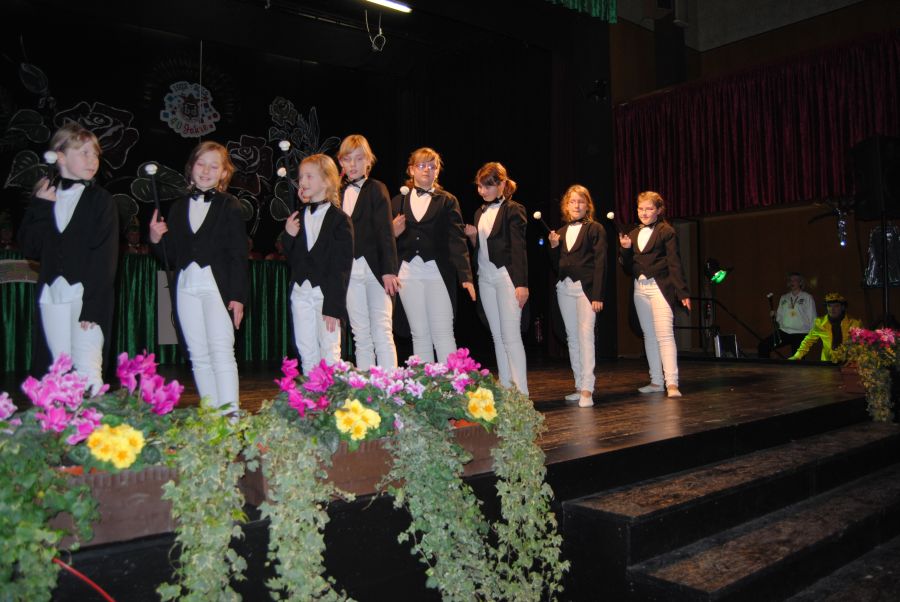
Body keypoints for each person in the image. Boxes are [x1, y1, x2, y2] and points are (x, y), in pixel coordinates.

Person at [18, 123, 118, 393]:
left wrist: (93, 307)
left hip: (86, 296)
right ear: (60, 157)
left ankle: (95, 421)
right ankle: (63, 420)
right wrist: (40, 207)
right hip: (53, 294)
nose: (92, 160)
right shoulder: (46, 197)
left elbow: (105, 259)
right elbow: (30, 248)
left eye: (95, 154)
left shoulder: (101, 200)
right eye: (84, 152)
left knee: (88, 370)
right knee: (57, 371)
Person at [149, 141, 248, 413]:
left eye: (214, 166)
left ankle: (230, 417)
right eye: (201, 164)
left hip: (217, 288)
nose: (206, 171)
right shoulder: (178, 207)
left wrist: (238, 296)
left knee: (222, 352)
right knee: (198, 355)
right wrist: (156, 239)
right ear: (191, 167)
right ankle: (212, 417)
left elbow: (238, 254)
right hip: (186, 286)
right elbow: (171, 255)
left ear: (224, 173)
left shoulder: (229, 205)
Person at [391, 147, 475, 363]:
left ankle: (452, 382)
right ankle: (426, 381)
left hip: (438, 273)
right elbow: (386, 241)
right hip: (408, 274)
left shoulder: (447, 200)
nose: (427, 170)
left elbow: (457, 240)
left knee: (443, 332)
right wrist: (393, 232)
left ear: (437, 171)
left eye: (432, 166)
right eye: (421, 165)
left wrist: (465, 276)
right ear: (411, 170)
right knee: (419, 334)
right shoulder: (398, 201)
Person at [283, 153, 353, 375]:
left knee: (330, 349)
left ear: (326, 181)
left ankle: (330, 394)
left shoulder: (340, 220)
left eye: (309, 176)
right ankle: (311, 392)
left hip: (325, 295)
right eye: (301, 177)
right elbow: (290, 257)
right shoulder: (298, 216)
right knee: (306, 349)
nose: (302, 182)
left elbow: (342, 267)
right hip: (300, 292)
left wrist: (333, 306)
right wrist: (288, 235)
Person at [464, 162, 529, 395]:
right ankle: (505, 386)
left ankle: (522, 394)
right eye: (480, 186)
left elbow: (519, 249)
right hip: (485, 277)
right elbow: (483, 248)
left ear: (501, 184)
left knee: (511, 336)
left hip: (506, 277)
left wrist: (521, 284)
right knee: (497, 336)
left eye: (488, 186)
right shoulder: (479, 213)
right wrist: (473, 238)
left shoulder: (514, 209)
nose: (482, 191)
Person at [619, 190, 690, 398]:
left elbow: (674, 262)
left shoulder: (666, 231)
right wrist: (625, 249)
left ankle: (672, 383)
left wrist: (682, 291)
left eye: (649, 208)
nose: (644, 212)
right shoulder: (633, 234)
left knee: (664, 335)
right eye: (640, 209)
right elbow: (627, 267)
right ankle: (656, 381)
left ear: (658, 210)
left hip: (661, 287)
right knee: (649, 335)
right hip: (640, 288)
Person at [337, 135, 400, 370]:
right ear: (341, 162)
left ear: (368, 161)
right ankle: (366, 388)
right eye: (347, 159)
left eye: (359, 158)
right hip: (349, 272)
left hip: (375, 270)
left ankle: (390, 385)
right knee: (360, 334)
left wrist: (389, 270)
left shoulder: (376, 189)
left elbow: (385, 232)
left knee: (382, 330)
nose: (353, 164)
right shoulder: (336, 193)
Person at [548, 185, 606, 408]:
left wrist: (597, 295)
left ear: (587, 205)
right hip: (565, 288)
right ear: (566, 206)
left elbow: (600, 263)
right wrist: (554, 247)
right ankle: (578, 384)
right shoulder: (561, 232)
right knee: (572, 337)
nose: (576, 205)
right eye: (572, 201)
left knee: (585, 335)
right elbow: (557, 266)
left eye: (581, 201)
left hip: (586, 289)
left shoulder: (595, 228)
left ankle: (588, 388)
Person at [789, 292, 861, 362]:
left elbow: (861, 343)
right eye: (829, 306)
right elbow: (808, 341)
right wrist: (797, 356)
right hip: (828, 362)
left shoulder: (853, 323)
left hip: (848, 362)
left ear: (842, 307)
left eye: (836, 306)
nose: (832, 309)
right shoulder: (820, 323)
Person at [758, 272, 815, 358]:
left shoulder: (807, 297)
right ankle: (767, 366)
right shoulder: (784, 297)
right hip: (784, 331)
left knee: (797, 360)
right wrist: (775, 315)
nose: (792, 282)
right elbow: (780, 317)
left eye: (795, 280)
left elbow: (812, 317)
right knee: (763, 346)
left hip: (801, 333)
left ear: (800, 282)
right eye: (790, 280)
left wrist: (811, 335)